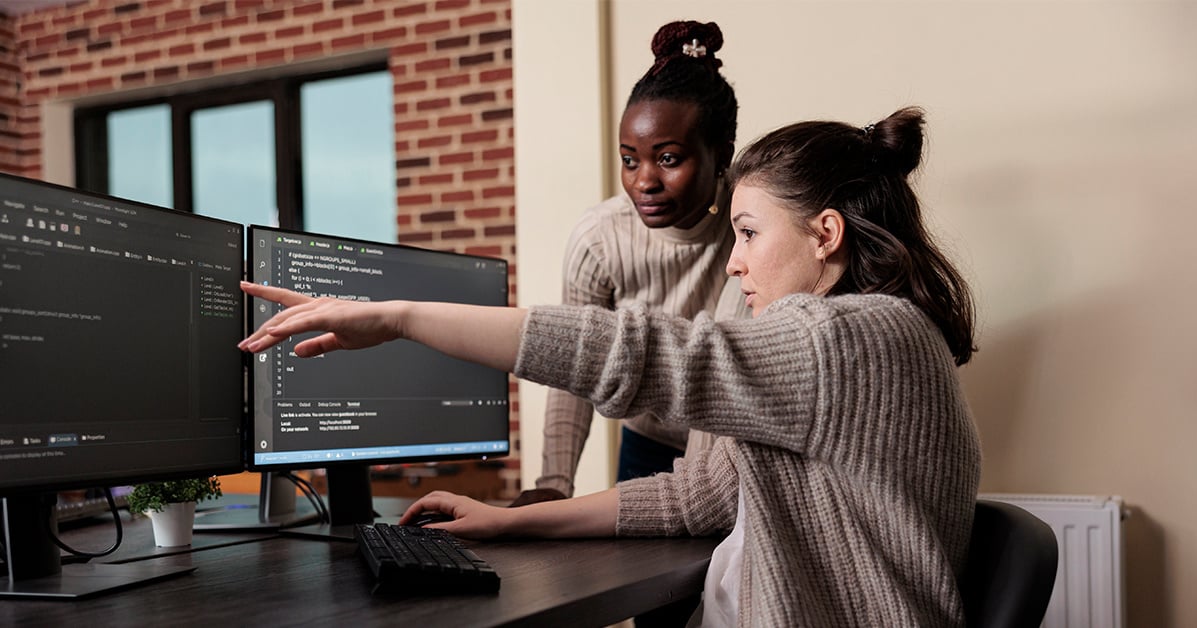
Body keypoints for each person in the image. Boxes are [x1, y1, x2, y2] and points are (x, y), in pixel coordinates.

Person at [239, 106, 981, 626]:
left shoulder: (857, 339)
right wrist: (511, 523)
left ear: (826, 234)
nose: (734, 263)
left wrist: (400, 318)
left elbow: (634, 353)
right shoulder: (847, 343)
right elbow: (698, 501)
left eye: (750, 234)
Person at [513, 20, 747, 507]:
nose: (644, 181)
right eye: (629, 159)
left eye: (667, 158)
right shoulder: (600, 239)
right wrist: (555, 482)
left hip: (738, 446)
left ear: (720, 155)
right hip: (649, 445)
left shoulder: (752, 223)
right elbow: (573, 362)